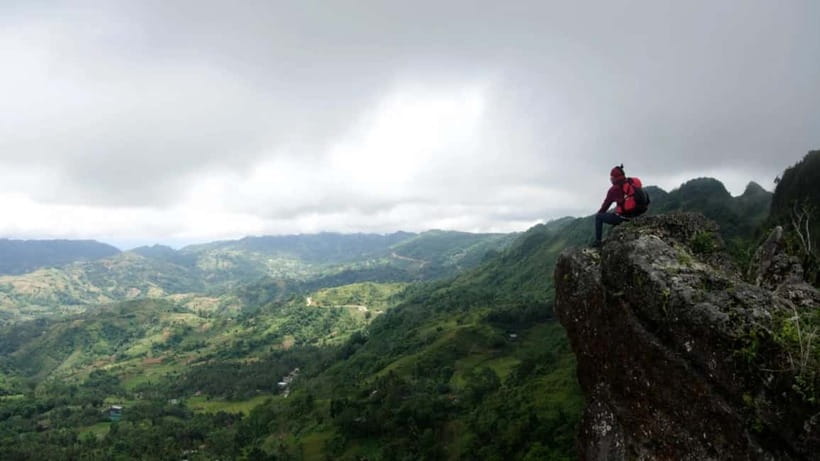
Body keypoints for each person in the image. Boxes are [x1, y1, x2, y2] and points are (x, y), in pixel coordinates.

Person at [593, 165, 630, 247]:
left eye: (611, 177)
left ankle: (598, 242)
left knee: (598, 217)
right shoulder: (630, 183)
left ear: (614, 178)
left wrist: (599, 213)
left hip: (624, 218)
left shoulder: (614, 189)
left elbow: (605, 207)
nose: (611, 179)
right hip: (636, 215)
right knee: (616, 213)